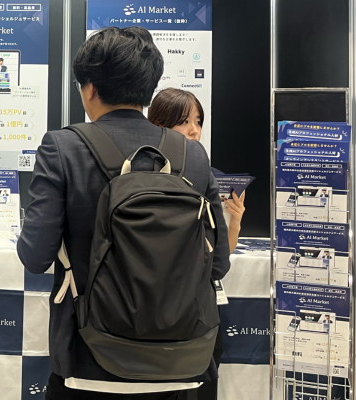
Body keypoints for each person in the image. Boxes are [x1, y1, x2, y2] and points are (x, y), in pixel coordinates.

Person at [17, 27, 229, 400]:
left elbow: (35, 257)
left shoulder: (62, 148)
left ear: (89, 88)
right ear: (149, 87)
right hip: (181, 362)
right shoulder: (192, 155)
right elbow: (219, 264)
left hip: (89, 359)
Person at [148, 88, 246, 253]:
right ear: (159, 126)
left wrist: (234, 222)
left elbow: (222, 253)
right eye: (184, 122)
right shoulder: (142, 172)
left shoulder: (209, 176)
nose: (194, 130)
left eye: (198, 122)